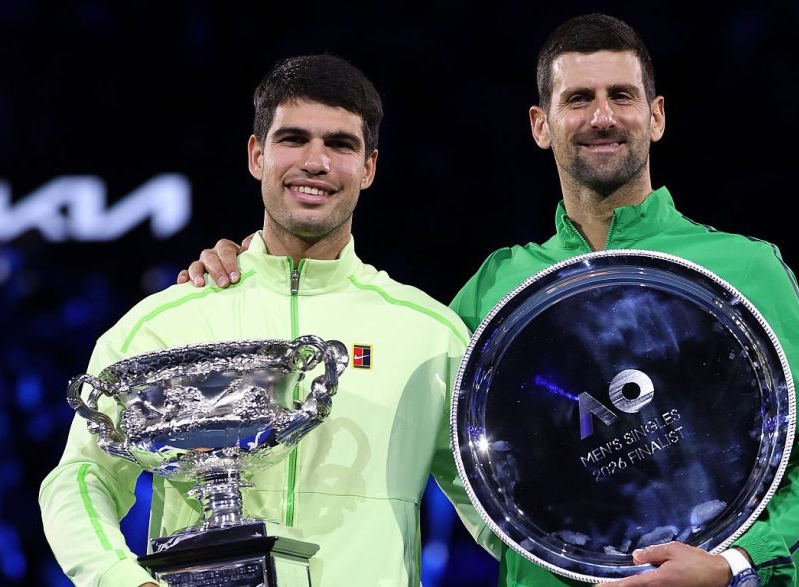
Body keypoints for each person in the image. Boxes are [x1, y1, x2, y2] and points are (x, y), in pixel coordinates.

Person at [182, 14, 799, 587]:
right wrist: (260, 272)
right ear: (541, 124)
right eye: (578, 99)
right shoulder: (497, 289)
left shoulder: (743, 268)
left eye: (621, 97)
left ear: (656, 116)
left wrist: (733, 564)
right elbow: (374, 371)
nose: (602, 117)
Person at [40, 54, 497, 587]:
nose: (316, 162)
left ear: (369, 167)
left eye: (340, 145)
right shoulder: (166, 320)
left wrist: (595, 559)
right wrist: (122, 581)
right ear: (257, 155)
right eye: (293, 139)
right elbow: (81, 475)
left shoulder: (429, 331)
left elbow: (495, 510)